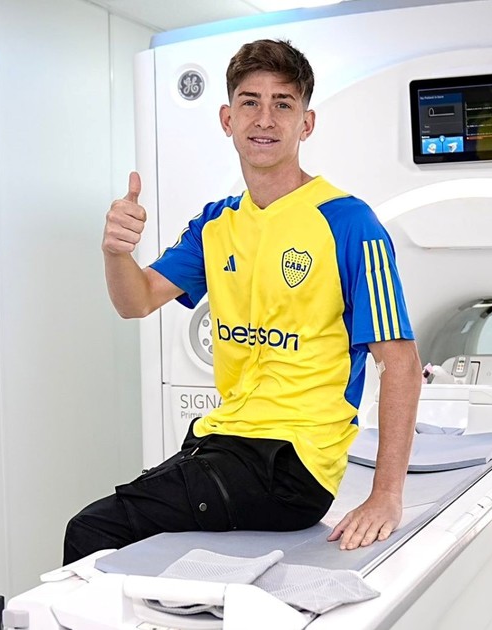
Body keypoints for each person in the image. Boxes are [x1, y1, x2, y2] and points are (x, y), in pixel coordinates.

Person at [63, 39, 421, 565]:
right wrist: (116, 251)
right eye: (250, 102)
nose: (265, 119)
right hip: (224, 438)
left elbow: (402, 363)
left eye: (283, 104)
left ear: (306, 123)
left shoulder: (348, 222)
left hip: (294, 463)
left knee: (90, 531)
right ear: (227, 119)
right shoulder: (217, 223)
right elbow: (135, 301)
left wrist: (386, 494)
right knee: (129, 538)